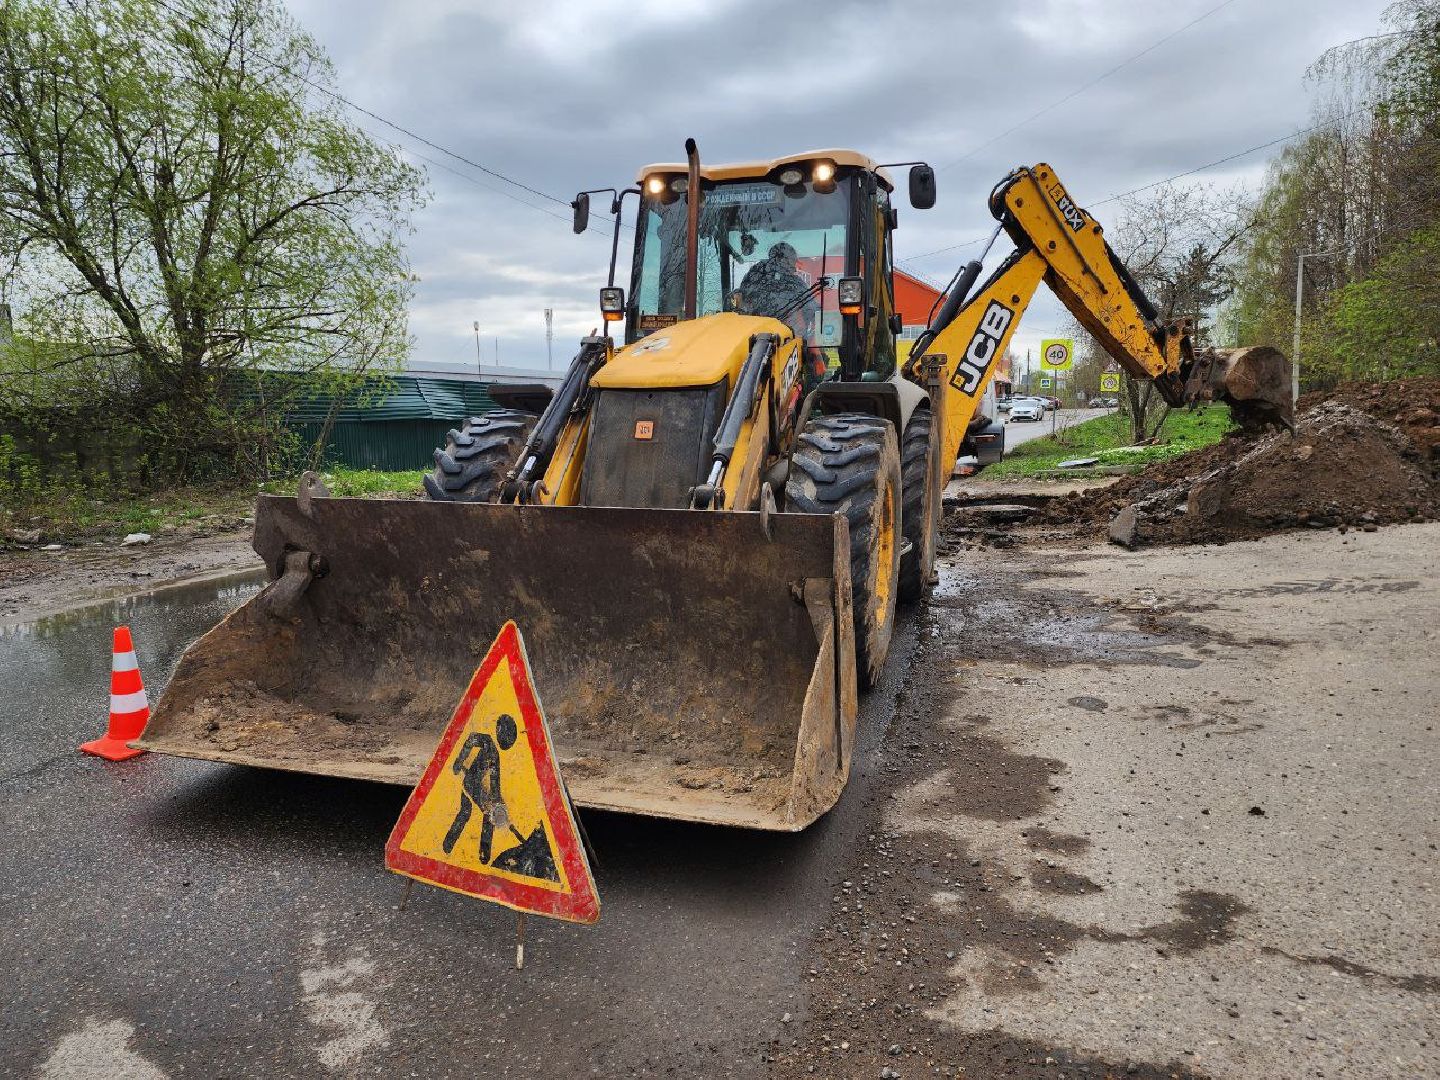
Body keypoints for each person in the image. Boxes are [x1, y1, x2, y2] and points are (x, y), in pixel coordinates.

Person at [442, 713, 519, 863]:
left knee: (465, 812)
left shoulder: (495, 755)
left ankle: (447, 845)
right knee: (488, 813)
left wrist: (498, 801)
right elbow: (471, 739)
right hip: (471, 783)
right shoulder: (488, 742)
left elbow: (494, 782)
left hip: (473, 783)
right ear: (499, 730)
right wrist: (459, 760)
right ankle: (484, 854)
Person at [738, 241, 817, 338]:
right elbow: (811, 307)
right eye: (793, 260)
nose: (795, 266)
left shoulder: (754, 274)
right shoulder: (793, 282)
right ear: (787, 260)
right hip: (786, 335)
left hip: (754, 334)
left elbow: (742, 298)